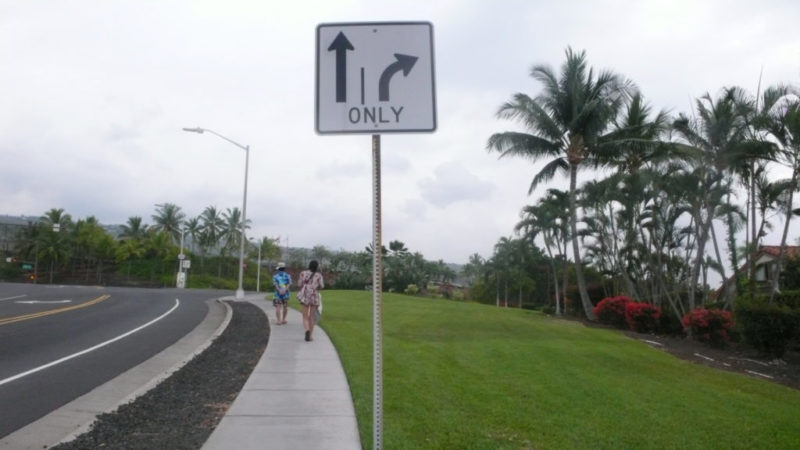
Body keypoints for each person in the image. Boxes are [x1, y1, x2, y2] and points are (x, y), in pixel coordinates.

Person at [297, 260, 324, 341]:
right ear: (317, 266)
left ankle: (307, 330)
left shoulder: (303, 273)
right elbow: (322, 286)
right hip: (314, 296)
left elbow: (299, 284)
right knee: (311, 317)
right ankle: (311, 336)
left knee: (305, 316)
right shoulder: (319, 275)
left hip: (305, 295)